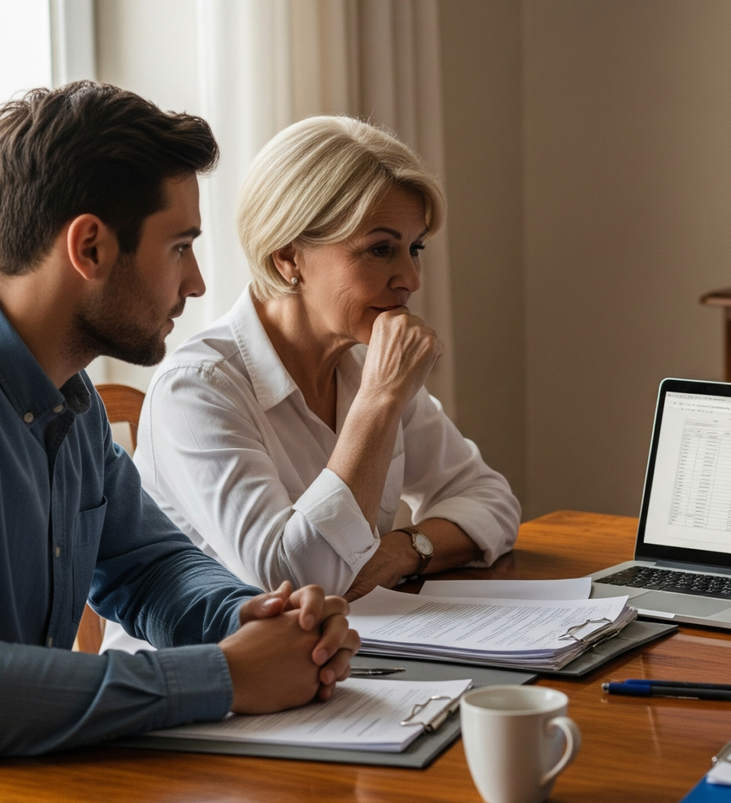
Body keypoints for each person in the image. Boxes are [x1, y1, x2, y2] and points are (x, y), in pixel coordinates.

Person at [0, 82, 358, 795]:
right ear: (91, 246)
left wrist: (257, 617)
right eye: (180, 247)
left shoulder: (65, 397)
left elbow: (148, 566)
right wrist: (226, 674)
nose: (196, 283)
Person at [100, 116, 517, 657]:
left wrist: (404, 549)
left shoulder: (365, 361)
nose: (410, 280)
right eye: (379, 249)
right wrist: (379, 403)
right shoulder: (197, 388)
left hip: (332, 666)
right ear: (289, 257)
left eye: (414, 249)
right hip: (201, 698)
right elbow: (291, 582)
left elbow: (491, 500)